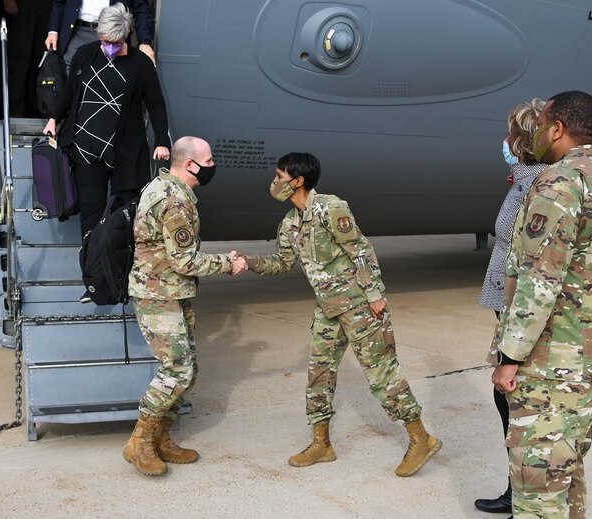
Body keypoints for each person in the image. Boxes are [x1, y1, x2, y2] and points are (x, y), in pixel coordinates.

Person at [238, 152, 441, 476]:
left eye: (279, 176)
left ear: (298, 180)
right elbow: (282, 263)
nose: (274, 182)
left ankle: (421, 439)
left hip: (359, 306)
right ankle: (322, 444)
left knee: (382, 377)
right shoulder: (289, 224)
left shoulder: (330, 208)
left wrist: (375, 296)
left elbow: (360, 250)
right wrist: (248, 262)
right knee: (318, 374)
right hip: (328, 309)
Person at [489, 91, 592, 518]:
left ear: (557, 129)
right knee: (565, 469)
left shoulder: (560, 181)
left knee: (537, 485)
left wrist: (510, 355)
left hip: (555, 354)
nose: (533, 137)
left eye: (541, 126)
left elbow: (540, 279)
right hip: (590, 348)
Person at [122, 136, 248, 477]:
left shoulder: (164, 187)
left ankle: (162, 438)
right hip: (158, 294)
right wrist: (227, 262)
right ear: (190, 164)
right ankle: (140, 442)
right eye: (208, 162)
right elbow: (184, 260)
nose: (212, 167)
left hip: (171, 293)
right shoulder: (174, 200)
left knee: (187, 370)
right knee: (177, 370)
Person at [43, 3, 170, 241]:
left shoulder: (140, 64)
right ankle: (93, 275)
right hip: (86, 153)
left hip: (125, 155)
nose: (110, 47)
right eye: (105, 42)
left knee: (123, 222)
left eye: (116, 43)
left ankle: (116, 274)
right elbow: (70, 92)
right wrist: (53, 119)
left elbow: (156, 103)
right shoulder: (84, 55)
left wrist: (162, 141)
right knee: (90, 222)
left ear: (127, 36)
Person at [475, 99, 546, 515]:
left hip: (521, 312)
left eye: (511, 134)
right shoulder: (524, 179)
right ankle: (519, 488)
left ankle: (524, 493)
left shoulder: (538, 184)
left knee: (515, 401)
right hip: (510, 309)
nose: (505, 141)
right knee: (511, 402)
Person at [45, 0, 156, 68]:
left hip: (113, 37)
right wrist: (53, 31)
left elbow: (141, 9)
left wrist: (144, 42)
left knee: (110, 84)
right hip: (76, 33)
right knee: (74, 85)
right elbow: (58, 2)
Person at [3, 0, 53, 117]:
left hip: (46, 7)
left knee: (42, 58)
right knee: (18, 60)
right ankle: (14, 112)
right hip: (21, 7)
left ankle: (39, 109)